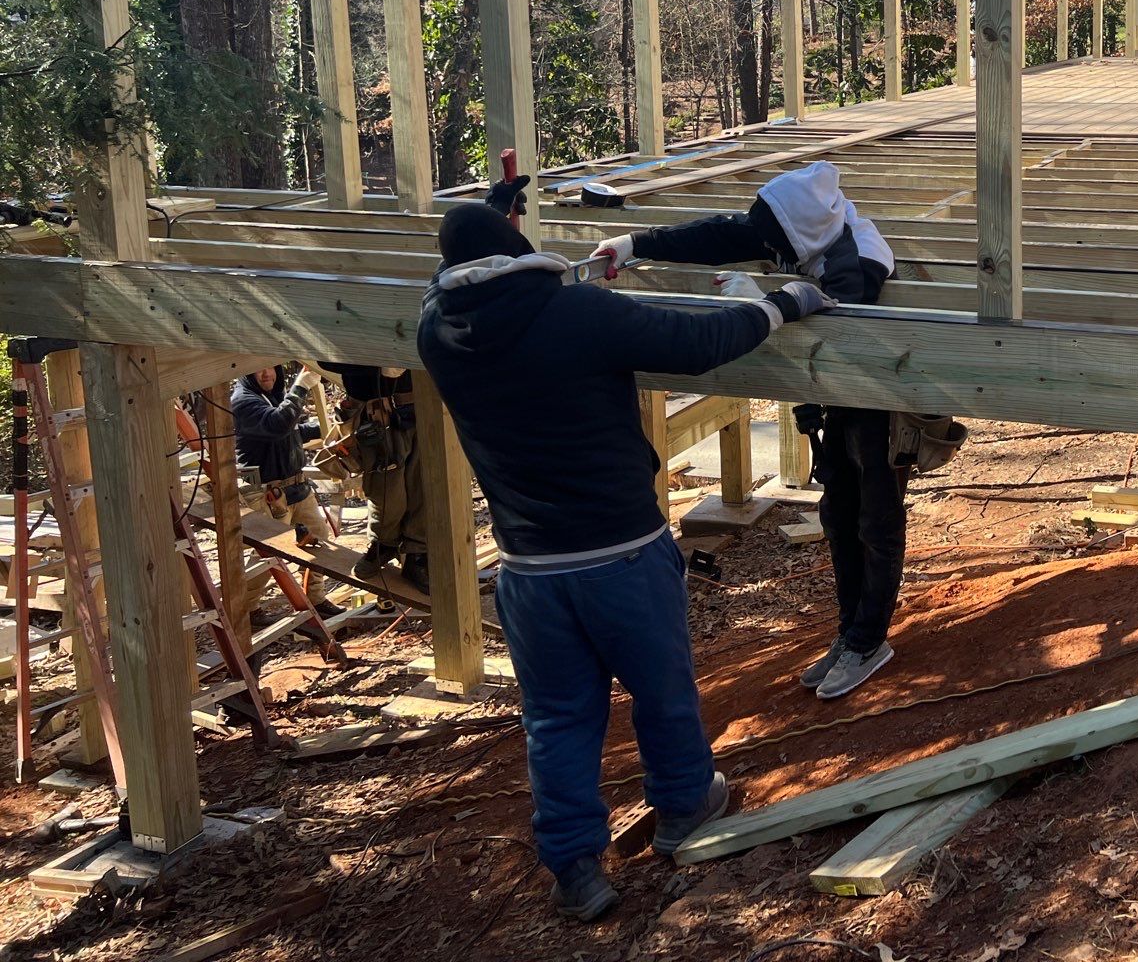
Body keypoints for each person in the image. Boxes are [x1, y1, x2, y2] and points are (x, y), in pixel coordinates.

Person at [416, 182, 833, 922]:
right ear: (518, 255)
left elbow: (453, 279)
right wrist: (783, 303)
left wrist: (489, 219)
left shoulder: (438, 332)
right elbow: (697, 344)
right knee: (662, 690)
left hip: (528, 571)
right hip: (622, 555)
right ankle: (680, 809)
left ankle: (575, 865)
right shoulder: (574, 312)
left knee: (556, 717)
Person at [589, 160, 956, 702]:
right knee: (836, 512)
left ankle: (868, 639)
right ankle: (849, 632)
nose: (764, 243)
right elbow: (719, 233)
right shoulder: (800, 224)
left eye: (773, 238)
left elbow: (835, 330)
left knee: (875, 517)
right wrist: (631, 243)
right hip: (837, 390)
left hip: (880, 396)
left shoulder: (858, 259)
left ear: (800, 232)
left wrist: (756, 299)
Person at [229, 363, 331, 616]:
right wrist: (302, 385)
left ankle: (315, 601)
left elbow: (292, 432)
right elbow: (277, 425)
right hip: (267, 493)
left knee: (319, 540)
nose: (267, 373)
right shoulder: (243, 401)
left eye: (271, 367)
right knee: (266, 556)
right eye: (259, 368)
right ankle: (247, 612)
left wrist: (330, 425)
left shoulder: (272, 397)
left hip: (296, 487)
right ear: (246, 372)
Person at [326, 365, 430, 595]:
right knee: (386, 490)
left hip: (419, 405)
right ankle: (384, 544)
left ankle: (417, 554)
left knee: (422, 486)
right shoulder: (344, 327)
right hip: (374, 413)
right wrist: (372, 365)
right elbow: (326, 357)